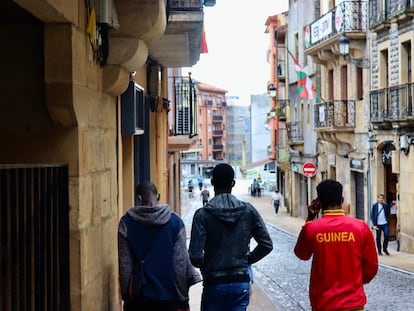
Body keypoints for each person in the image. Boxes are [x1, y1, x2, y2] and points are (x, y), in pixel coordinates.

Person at [189, 163, 273, 311]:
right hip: (240, 282)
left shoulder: (203, 215)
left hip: (214, 283)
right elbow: (266, 245)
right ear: (233, 183)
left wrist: (208, 264)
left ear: (213, 182)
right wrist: (247, 259)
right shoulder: (248, 211)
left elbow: (195, 256)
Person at [294, 179, 378, 311]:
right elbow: (371, 268)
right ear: (342, 200)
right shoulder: (361, 227)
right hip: (354, 303)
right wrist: (354, 283)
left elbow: (302, 254)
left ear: (319, 203)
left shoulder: (311, 228)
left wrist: (310, 218)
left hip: (323, 304)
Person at [118, 181, 201, 311]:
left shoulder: (126, 223)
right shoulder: (175, 222)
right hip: (169, 299)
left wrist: (126, 296)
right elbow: (179, 264)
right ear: (158, 196)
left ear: (138, 198)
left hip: (139, 300)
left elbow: (125, 265)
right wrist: (183, 297)